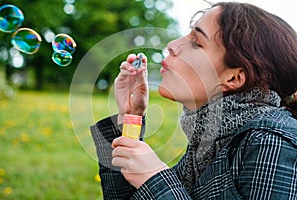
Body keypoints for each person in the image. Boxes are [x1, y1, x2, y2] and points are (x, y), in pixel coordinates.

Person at [90, 2, 297, 199]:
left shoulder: (271, 142)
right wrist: (130, 117)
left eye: (196, 42)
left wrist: (155, 179)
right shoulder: (213, 136)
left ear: (233, 78)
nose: (172, 45)